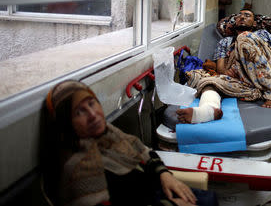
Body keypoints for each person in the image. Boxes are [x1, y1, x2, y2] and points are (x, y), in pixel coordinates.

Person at [42, 80, 217, 206]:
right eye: (80, 112)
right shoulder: (79, 171)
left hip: (154, 190)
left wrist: (165, 175)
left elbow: (145, 153)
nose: (93, 114)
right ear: (66, 123)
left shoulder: (109, 136)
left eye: (92, 103)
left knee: (210, 199)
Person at [176, 9, 271, 123]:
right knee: (205, 80)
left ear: (254, 23)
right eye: (239, 16)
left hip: (269, 77)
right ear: (235, 22)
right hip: (244, 82)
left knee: (244, 38)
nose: (242, 17)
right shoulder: (225, 42)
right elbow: (221, 69)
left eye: (247, 15)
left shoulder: (263, 35)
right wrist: (230, 70)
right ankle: (208, 111)